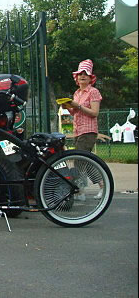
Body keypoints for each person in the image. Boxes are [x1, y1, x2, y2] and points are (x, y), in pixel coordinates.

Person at [61, 59, 103, 200]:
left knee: (79, 161)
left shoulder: (93, 92)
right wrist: (68, 107)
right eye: (80, 74)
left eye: (86, 74)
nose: (82, 76)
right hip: (78, 130)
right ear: (76, 78)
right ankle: (102, 186)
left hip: (88, 130)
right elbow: (75, 113)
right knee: (85, 161)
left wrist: (77, 106)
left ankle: (80, 191)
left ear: (91, 77)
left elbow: (94, 112)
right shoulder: (77, 93)